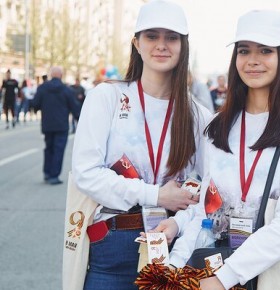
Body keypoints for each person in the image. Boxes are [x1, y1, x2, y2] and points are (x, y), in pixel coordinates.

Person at [159, 9, 280, 289]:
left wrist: (224, 278)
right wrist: (174, 269)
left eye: (265, 51)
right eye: (244, 51)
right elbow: (206, 211)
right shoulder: (219, 126)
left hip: (268, 275)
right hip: (213, 270)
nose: (253, 61)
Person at [71, 1, 211, 289]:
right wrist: (157, 195)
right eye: (152, 36)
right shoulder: (107, 97)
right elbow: (86, 172)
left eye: (171, 37)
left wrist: (180, 218)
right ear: (136, 43)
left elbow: (208, 189)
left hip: (172, 245)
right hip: (112, 246)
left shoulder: (198, 116)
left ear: (184, 45)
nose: (162, 45)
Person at [32, 66, 80, 185]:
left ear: (50, 75)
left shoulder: (42, 88)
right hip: (61, 125)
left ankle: (47, 173)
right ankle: (54, 175)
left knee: (48, 148)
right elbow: (75, 108)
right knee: (58, 149)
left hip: (47, 124)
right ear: (61, 75)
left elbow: (35, 104)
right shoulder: (66, 90)